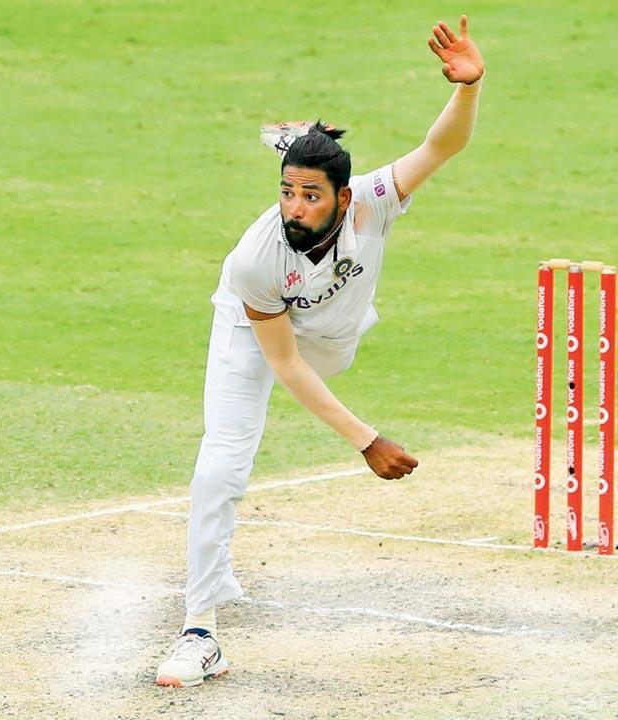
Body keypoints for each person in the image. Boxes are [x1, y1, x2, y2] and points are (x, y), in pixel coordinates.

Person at [156, 16, 484, 687]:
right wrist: (366, 438)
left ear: (342, 196)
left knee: (321, 360)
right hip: (257, 335)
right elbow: (284, 366)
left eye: (310, 194)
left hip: (336, 339)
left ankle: (302, 138)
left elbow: (439, 147)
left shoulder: (372, 203)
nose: (295, 207)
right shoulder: (256, 258)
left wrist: (469, 89)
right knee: (220, 465)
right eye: (287, 191)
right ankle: (200, 633)